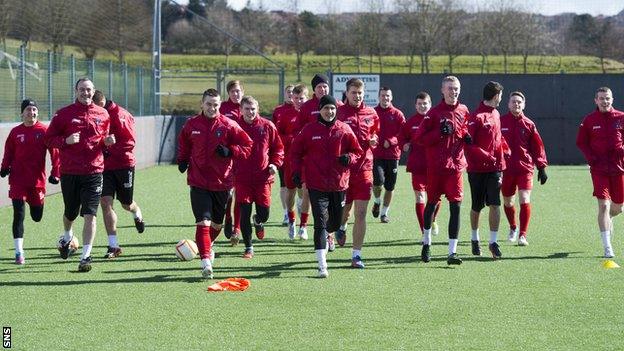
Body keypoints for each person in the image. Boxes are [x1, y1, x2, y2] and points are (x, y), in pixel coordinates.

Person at [177, 88, 252, 278]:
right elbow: (184, 143)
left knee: (216, 225)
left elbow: (248, 145)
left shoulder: (229, 125)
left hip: (222, 182)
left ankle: (205, 247)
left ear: (220, 105)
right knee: (203, 222)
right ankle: (206, 263)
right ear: (202, 104)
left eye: (215, 105)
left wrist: (231, 151)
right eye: (208, 104)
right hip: (198, 181)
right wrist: (183, 159)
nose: (212, 108)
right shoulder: (191, 124)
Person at [44, 78, 116, 272]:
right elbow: (48, 140)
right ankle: (67, 235)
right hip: (70, 172)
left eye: (89, 90)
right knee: (71, 212)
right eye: (82, 90)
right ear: (76, 91)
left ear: (94, 92)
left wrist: (107, 142)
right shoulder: (63, 114)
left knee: (90, 214)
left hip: (94, 171)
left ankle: (85, 256)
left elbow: (102, 142)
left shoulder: (103, 114)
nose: (86, 93)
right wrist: (65, 140)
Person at [290, 94, 363, 277]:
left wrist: (349, 158)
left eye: (332, 109)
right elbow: (295, 152)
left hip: (339, 184)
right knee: (320, 224)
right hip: (316, 184)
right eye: (325, 108)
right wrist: (297, 172)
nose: (329, 112)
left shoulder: (344, 129)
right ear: (320, 110)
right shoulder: (309, 130)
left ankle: (332, 233)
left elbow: (357, 151)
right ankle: (322, 265)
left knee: (335, 223)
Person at [414, 76, 470, 265]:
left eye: (456, 89)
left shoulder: (464, 110)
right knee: (431, 204)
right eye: (450, 89)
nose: (454, 92)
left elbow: (463, 130)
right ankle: (426, 243)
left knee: (456, 207)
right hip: (436, 167)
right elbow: (419, 139)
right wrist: (439, 133)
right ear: (442, 90)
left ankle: (452, 253)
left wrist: (466, 136)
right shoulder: (434, 113)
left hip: (455, 168)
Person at [1, 99, 60, 265]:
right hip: (18, 180)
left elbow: (55, 154)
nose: (31, 113)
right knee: (18, 215)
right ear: (22, 113)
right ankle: (19, 252)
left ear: (37, 113)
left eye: (34, 110)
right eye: (28, 110)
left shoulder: (44, 130)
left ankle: (38, 204)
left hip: (37, 183)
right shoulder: (15, 132)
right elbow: (8, 153)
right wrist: (4, 167)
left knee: (36, 216)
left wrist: (55, 173)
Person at [92, 90, 146, 259]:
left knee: (126, 203)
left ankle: (137, 214)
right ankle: (113, 245)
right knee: (105, 202)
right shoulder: (94, 115)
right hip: (104, 167)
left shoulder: (121, 115)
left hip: (123, 165)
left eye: (95, 107)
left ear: (101, 103)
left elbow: (130, 142)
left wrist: (109, 149)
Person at [336, 78, 380, 268]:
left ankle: (356, 255)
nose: (357, 96)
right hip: (343, 170)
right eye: (353, 93)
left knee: (361, 213)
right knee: (344, 210)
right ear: (347, 93)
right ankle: (340, 226)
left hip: (364, 169)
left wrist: (373, 140)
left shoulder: (371, 113)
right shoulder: (338, 113)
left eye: (360, 93)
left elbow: (375, 134)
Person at [576, 87, 624, 258]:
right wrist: (591, 158)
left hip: (619, 169)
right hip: (599, 169)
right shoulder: (589, 120)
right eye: (602, 98)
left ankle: (610, 217)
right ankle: (607, 247)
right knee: (603, 205)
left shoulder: (621, 117)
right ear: (595, 100)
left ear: (612, 99)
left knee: (617, 208)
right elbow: (581, 142)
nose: (605, 101)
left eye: (608, 98)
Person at [234, 96, 284, 258]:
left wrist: (274, 164)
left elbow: (278, 148)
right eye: (247, 109)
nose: (250, 112)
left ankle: (259, 221)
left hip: (263, 178)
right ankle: (248, 247)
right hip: (242, 178)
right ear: (241, 110)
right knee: (244, 212)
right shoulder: (234, 127)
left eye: (253, 109)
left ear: (258, 109)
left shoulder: (268, 126)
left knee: (264, 213)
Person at [465, 81, 508, 260]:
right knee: (477, 206)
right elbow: (468, 144)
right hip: (476, 169)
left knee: (495, 203)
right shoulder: (476, 117)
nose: (501, 99)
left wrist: (505, 149)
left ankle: (493, 242)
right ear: (496, 96)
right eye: (500, 96)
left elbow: (498, 138)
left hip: (495, 168)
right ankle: (475, 238)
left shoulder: (497, 114)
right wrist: (485, 156)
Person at [501, 91, 548, 246]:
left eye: (519, 102)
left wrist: (541, 167)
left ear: (524, 105)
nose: (516, 104)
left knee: (525, 198)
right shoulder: (501, 122)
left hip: (525, 168)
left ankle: (522, 235)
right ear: (508, 104)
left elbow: (537, 147)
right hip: (506, 169)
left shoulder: (529, 124)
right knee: (508, 201)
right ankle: (513, 227)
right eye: (513, 101)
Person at [400, 92, 441, 240]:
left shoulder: (436, 120)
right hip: (417, 167)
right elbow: (402, 137)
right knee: (420, 198)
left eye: (425, 103)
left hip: (435, 166)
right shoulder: (410, 122)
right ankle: (424, 232)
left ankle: (432, 219)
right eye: (419, 104)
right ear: (415, 105)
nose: (422, 106)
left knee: (435, 199)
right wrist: (404, 144)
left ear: (430, 104)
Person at [277, 84, 309, 240]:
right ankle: (291, 221)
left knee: (306, 192)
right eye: (295, 98)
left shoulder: (312, 114)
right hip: (290, 160)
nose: (298, 101)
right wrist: (292, 139)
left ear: (306, 98)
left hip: (308, 161)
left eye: (301, 98)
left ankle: (303, 226)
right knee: (290, 192)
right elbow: (278, 136)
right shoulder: (285, 114)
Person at [372, 87, 406, 223]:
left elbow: (404, 134)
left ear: (391, 98)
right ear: (379, 97)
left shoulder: (398, 114)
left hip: (393, 156)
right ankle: (377, 201)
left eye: (387, 96)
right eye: (383, 95)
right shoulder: (372, 112)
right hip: (377, 155)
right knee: (378, 182)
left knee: (390, 187)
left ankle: (384, 213)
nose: (385, 98)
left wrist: (391, 141)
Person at [219, 80, 244, 241]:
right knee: (228, 194)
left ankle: (237, 228)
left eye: (239, 91)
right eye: (233, 91)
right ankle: (227, 217)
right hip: (226, 158)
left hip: (242, 158)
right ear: (228, 93)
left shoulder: (247, 107)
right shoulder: (222, 108)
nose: (236, 94)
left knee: (240, 195)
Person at [272, 84, 295, 226]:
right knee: (284, 185)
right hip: (283, 154)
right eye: (288, 92)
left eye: (293, 92)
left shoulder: (301, 110)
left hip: (299, 155)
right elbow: (274, 132)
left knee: (299, 188)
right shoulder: (279, 111)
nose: (291, 95)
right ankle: (286, 212)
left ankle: (296, 207)